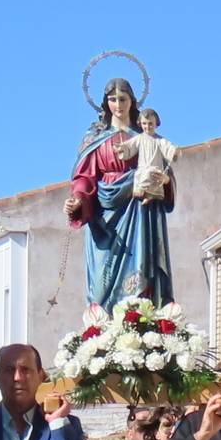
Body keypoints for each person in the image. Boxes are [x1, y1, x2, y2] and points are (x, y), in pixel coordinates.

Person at [65, 77, 173, 308]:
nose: (118, 104)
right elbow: (85, 177)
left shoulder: (146, 137)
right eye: (112, 99)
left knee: (143, 266)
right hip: (107, 216)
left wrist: (164, 182)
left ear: (132, 102)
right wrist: (78, 199)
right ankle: (104, 319)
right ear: (106, 103)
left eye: (122, 99)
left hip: (141, 211)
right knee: (103, 285)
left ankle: (141, 312)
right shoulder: (95, 139)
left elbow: (164, 169)